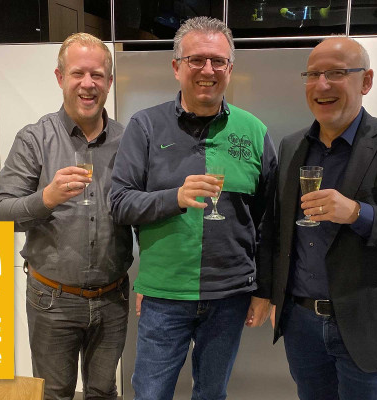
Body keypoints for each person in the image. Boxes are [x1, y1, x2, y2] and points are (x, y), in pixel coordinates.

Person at [110, 16, 277, 400]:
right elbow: (119, 203)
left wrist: (264, 289)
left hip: (230, 296)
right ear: (176, 67)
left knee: (212, 394)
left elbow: (270, 222)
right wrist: (174, 198)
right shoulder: (146, 126)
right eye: (196, 60)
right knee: (151, 394)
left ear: (230, 69)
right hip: (164, 295)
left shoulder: (254, 131)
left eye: (218, 61)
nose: (208, 70)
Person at [270, 37, 377, 400]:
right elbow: (278, 230)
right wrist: (274, 297)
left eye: (336, 73)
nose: (322, 85)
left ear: (366, 81)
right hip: (301, 324)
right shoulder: (291, 145)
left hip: (370, 325)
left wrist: (358, 213)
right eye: (313, 74)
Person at [0, 33, 133, 400]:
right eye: (77, 73)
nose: (88, 84)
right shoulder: (34, 139)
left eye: (97, 75)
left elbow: (140, 211)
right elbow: (2, 214)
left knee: (103, 392)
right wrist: (47, 198)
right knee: (55, 394)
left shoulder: (128, 140)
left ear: (109, 81)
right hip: (52, 300)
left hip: (113, 297)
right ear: (60, 78)